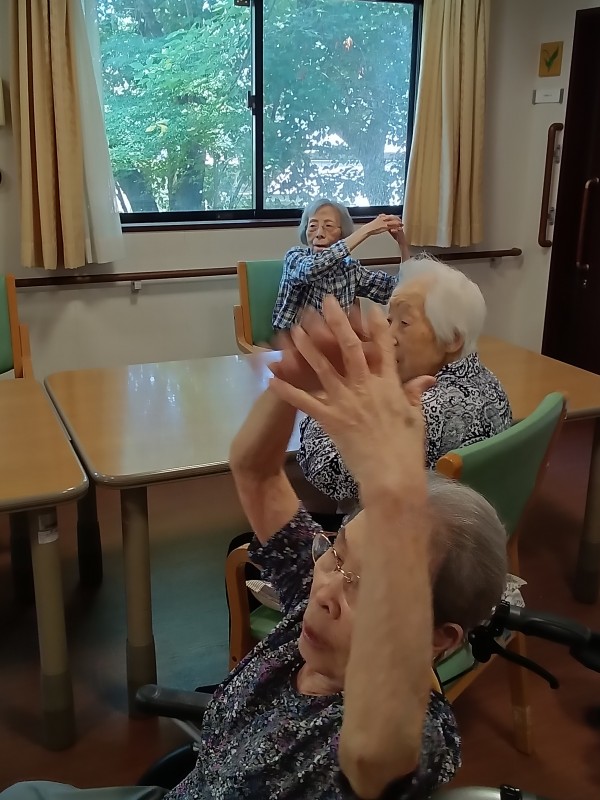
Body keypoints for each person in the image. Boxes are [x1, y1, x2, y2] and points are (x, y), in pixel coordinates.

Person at [1, 299, 508, 800]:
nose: (327, 591)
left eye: (371, 588)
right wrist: (293, 383)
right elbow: (257, 473)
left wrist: (393, 490)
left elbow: (372, 755)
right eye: (337, 553)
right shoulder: (316, 593)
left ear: (437, 638)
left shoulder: (418, 735)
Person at [298, 257, 512, 509]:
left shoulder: (424, 410)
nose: (388, 337)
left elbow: (327, 470)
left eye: (405, 323)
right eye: (390, 321)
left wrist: (332, 386)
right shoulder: (487, 381)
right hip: (471, 525)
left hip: (406, 530)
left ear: (452, 339)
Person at [272, 198, 411, 331]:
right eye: (313, 226)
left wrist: (403, 245)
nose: (319, 234)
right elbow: (312, 269)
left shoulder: (350, 269)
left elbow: (394, 290)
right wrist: (366, 230)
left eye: (328, 226)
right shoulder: (295, 257)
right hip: (293, 341)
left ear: (342, 234)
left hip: (337, 341)